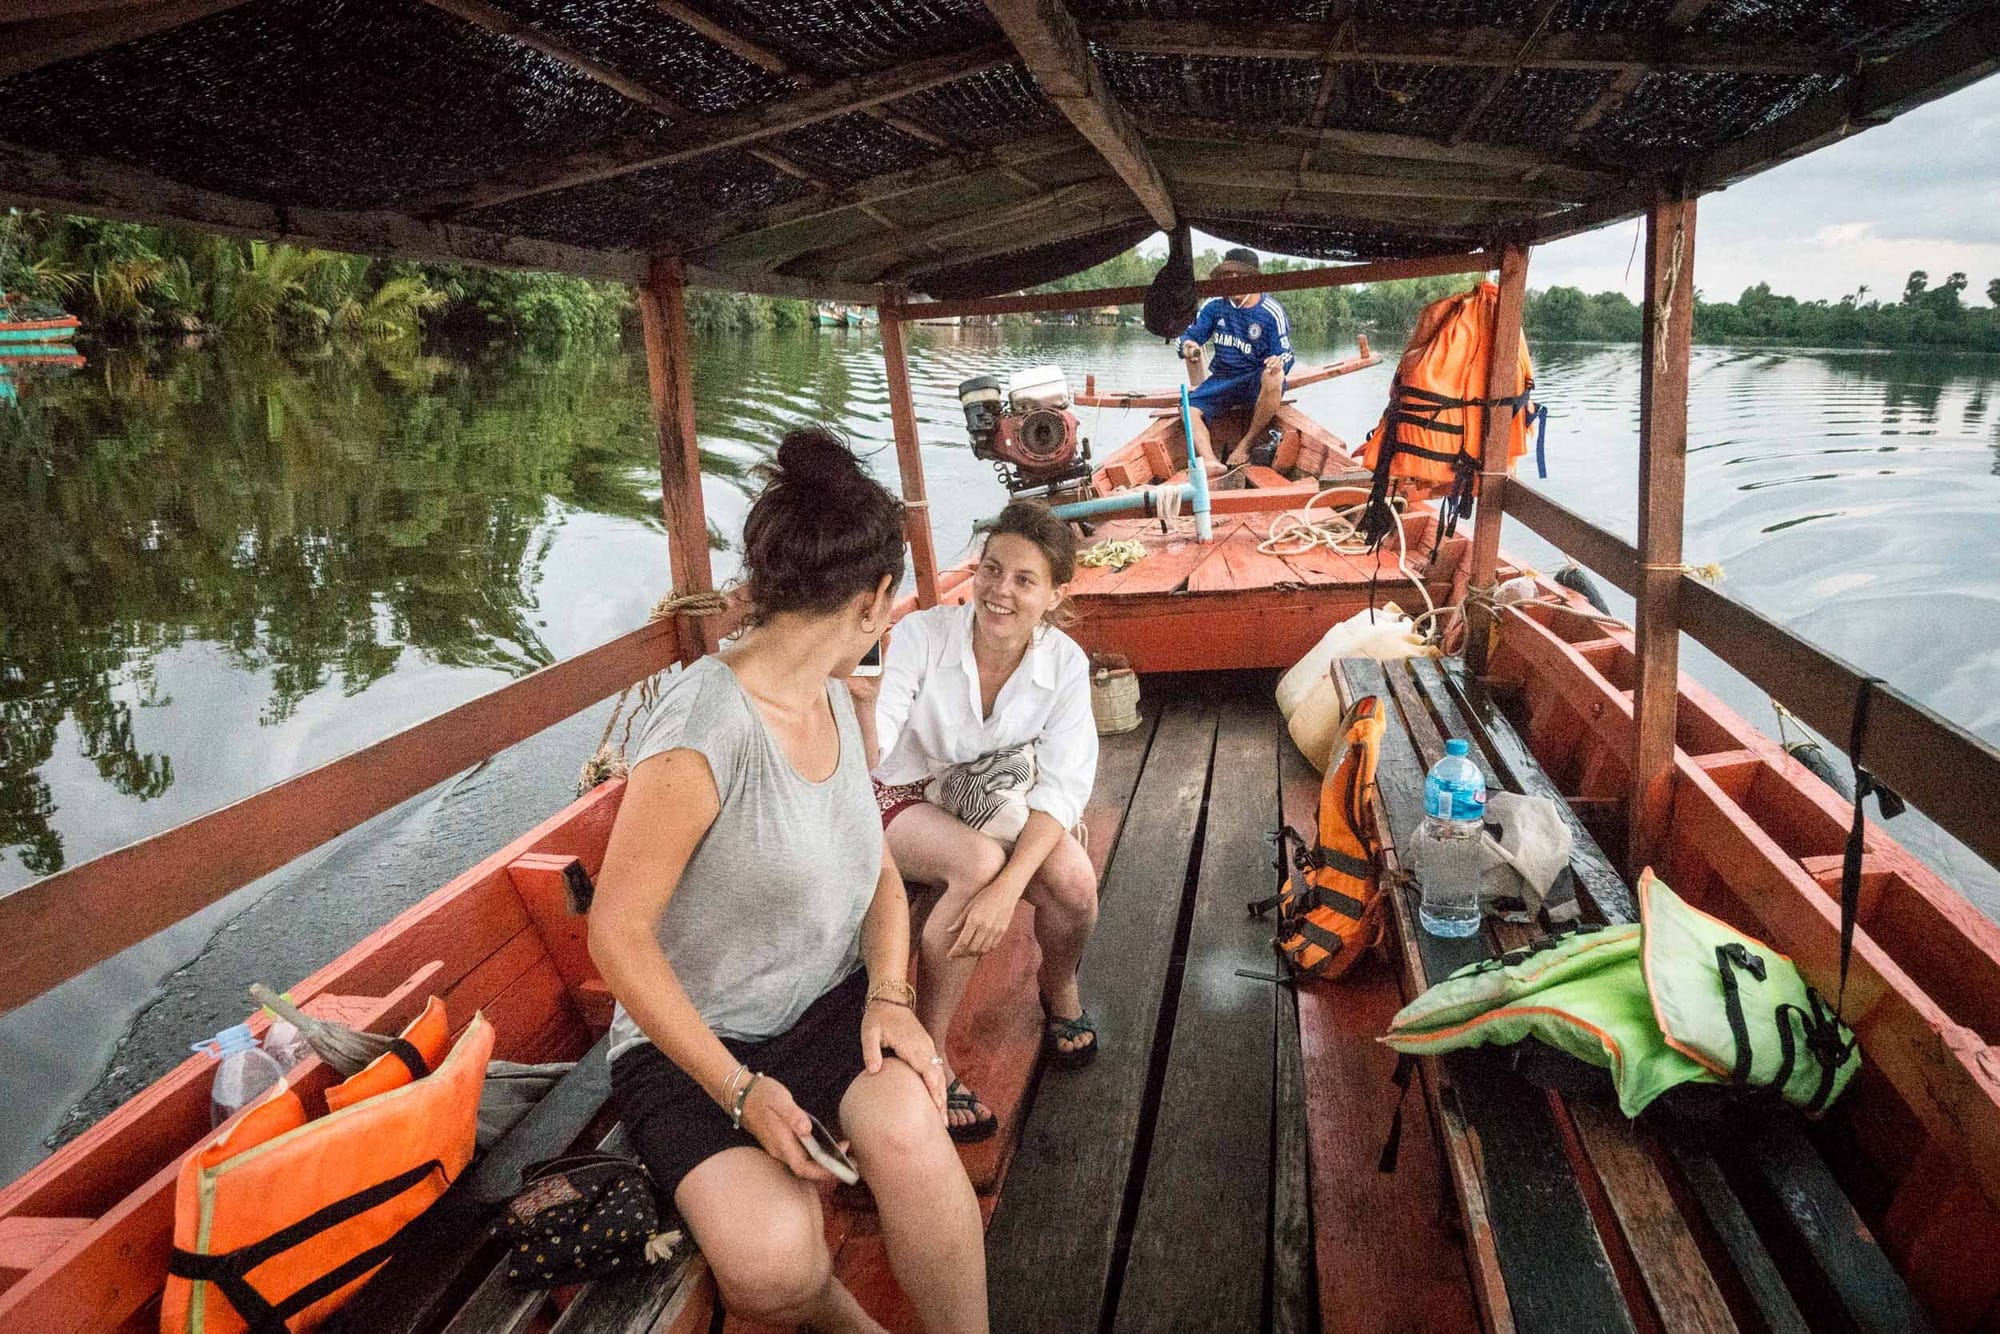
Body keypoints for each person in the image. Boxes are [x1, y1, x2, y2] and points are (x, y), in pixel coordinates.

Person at [589, 428, 987, 1334]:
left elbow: (880, 876)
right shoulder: (704, 730)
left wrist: (890, 996)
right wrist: (739, 1090)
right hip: (690, 1047)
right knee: (772, 1268)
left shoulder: (836, 700)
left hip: (820, 1006)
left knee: (911, 1133)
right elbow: (615, 937)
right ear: (877, 599)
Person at [855, 501, 1100, 1142]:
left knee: (1073, 882)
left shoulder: (1065, 664)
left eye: (1024, 580)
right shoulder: (920, 637)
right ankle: (929, 1049)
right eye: (991, 570)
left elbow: (1064, 786)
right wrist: (858, 707)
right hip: (903, 795)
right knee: (977, 864)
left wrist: (1010, 892)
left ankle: (1059, 983)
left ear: (1053, 595)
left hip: (984, 792)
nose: (999, 591)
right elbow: (877, 747)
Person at [1178, 246, 1295, 472]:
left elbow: (1286, 352)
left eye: (1241, 276)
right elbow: (1190, 335)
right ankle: (1210, 460)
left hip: (1254, 378)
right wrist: (1188, 345)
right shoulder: (1214, 306)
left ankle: (1246, 443)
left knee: (1275, 375)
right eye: (1228, 275)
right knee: (1186, 409)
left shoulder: (1271, 311)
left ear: (1253, 278)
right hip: (1223, 378)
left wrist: (1279, 361)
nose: (1234, 280)